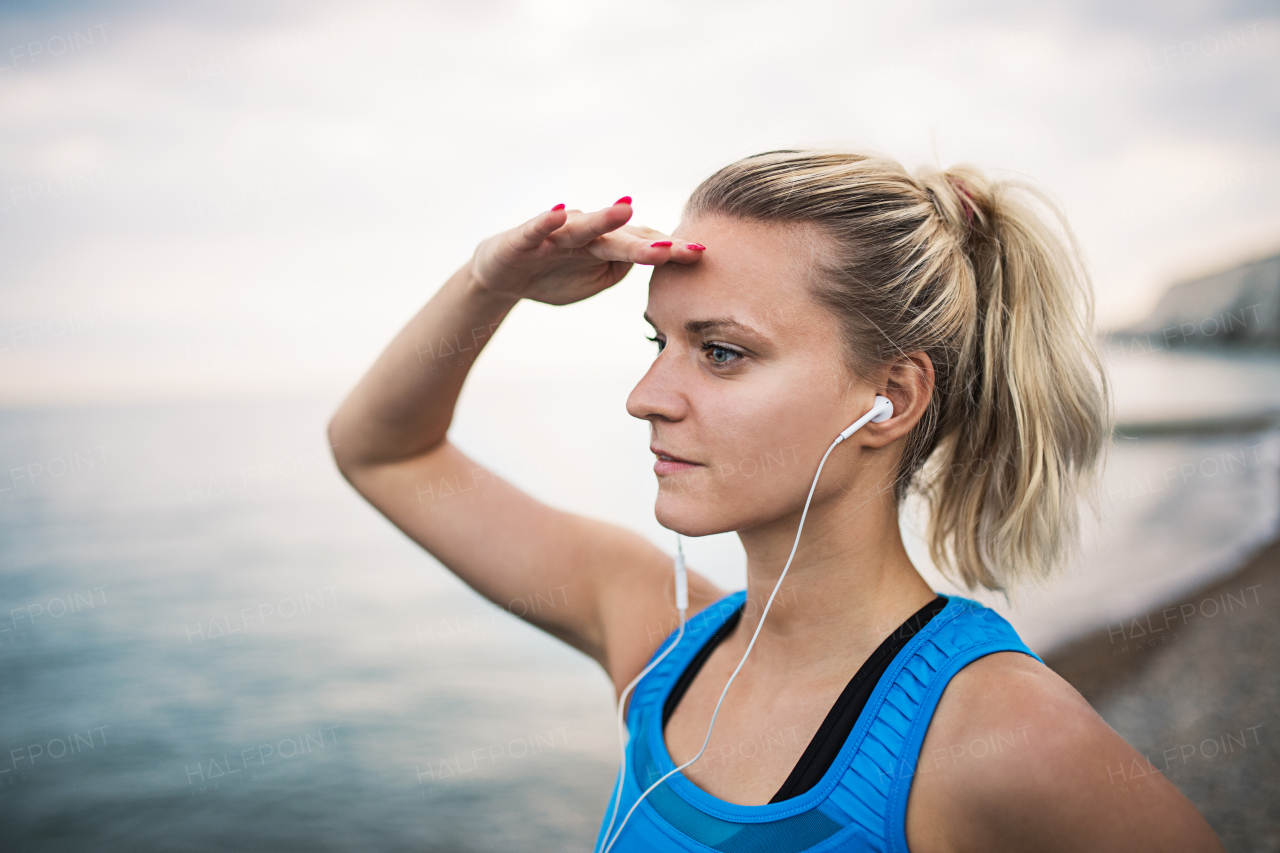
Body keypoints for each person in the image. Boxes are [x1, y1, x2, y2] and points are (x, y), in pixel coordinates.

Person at [327, 149, 1224, 852]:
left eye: (720, 351)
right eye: (660, 341)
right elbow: (381, 451)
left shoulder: (1003, 736)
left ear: (891, 398)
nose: (645, 396)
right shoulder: (655, 639)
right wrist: (494, 283)